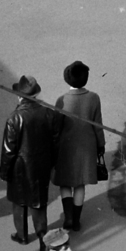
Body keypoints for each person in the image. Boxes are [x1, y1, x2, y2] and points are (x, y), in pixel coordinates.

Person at [1, 74, 61, 246]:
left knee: (19, 202)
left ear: (19, 96)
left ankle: (22, 235)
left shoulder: (14, 117)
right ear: (36, 95)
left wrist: (5, 171)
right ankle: (43, 239)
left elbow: (8, 150)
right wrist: (53, 163)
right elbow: (56, 141)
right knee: (38, 203)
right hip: (41, 166)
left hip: (20, 167)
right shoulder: (49, 113)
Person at [52, 61, 105, 233]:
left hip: (66, 148)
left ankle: (67, 218)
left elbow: (55, 128)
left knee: (65, 183)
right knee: (80, 184)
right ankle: (76, 220)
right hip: (87, 147)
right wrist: (100, 144)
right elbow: (98, 125)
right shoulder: (94, 98)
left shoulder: (62, 100)